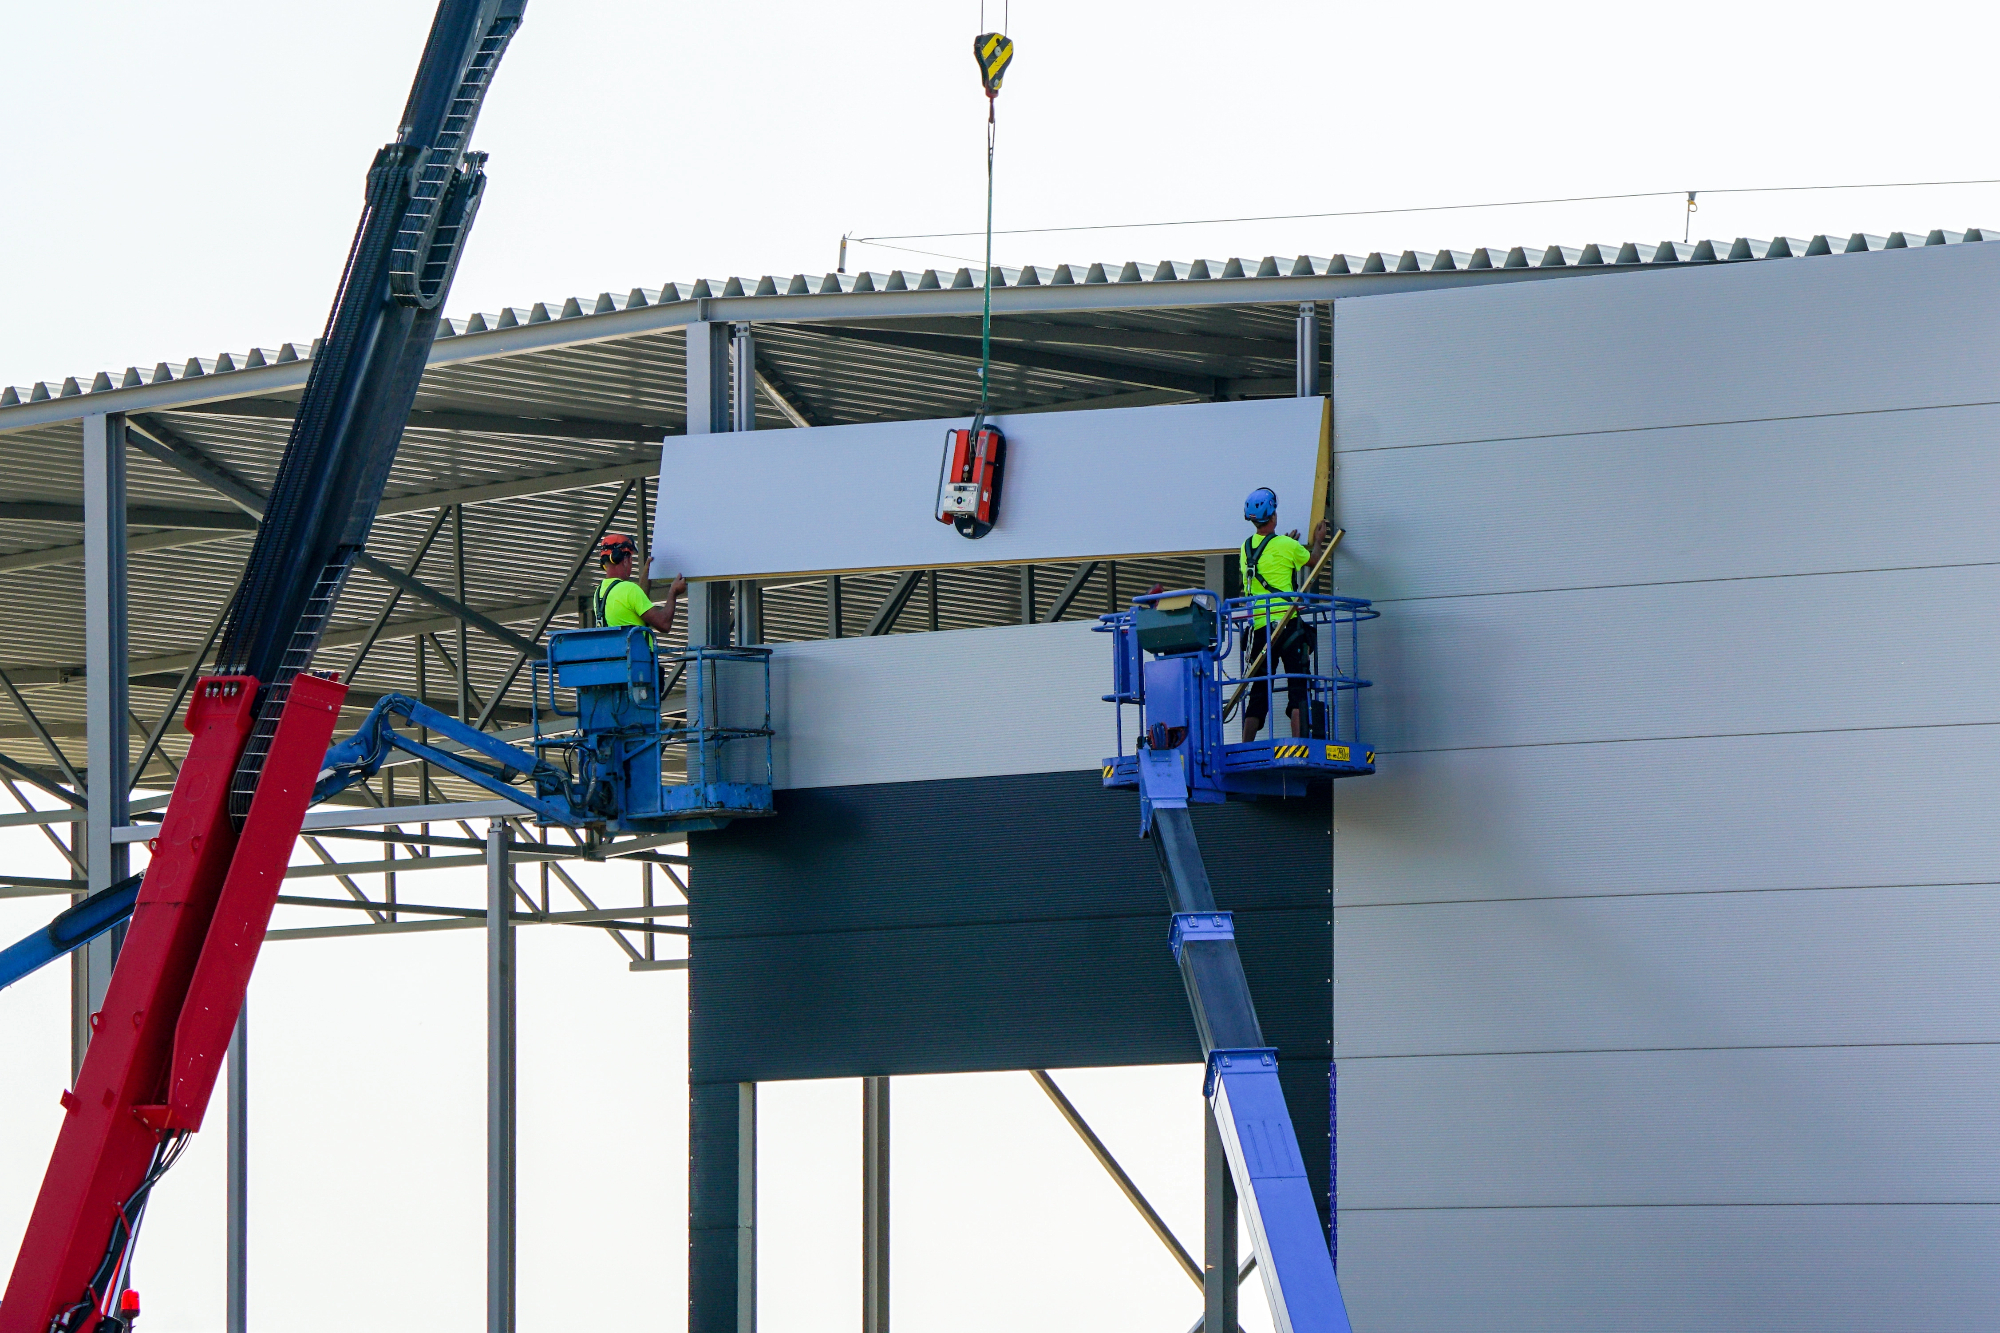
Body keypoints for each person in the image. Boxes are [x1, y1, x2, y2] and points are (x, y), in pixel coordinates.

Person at [1238, 487, 1328, 743]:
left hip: (1260, 628)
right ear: (1273, 516)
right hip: (1287, 625)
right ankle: (1300, 745)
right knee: (1298, 687)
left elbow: (1264, 568)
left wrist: (1283, 545)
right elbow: (1314, 562)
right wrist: (1318, 540)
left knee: (1258, 690)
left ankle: (1246, 746)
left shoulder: (1245, 549)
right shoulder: (1287, 545)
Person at [593, 533, 686, 642]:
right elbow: (664, 624)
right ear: (626, 560)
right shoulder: (629, 589)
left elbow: (637, 605)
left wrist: (647, 574)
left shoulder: (599, 593)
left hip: (619, 657)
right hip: (639, 657)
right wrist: (673, 592)